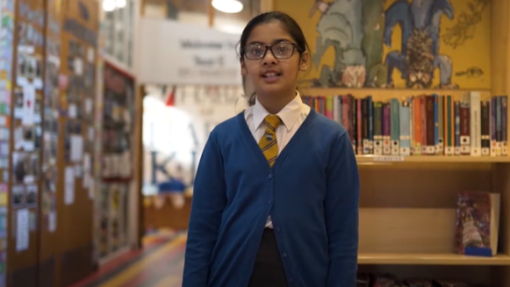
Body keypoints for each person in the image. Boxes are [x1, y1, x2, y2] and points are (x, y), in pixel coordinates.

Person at [182, 11, 360, 287]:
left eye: (282, 48)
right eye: (255, 50)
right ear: (243, 64)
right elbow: (202, 231)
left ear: (303, 60)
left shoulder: (332, 140)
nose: (268, 58)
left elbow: (343, 236)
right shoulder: (223, 138)